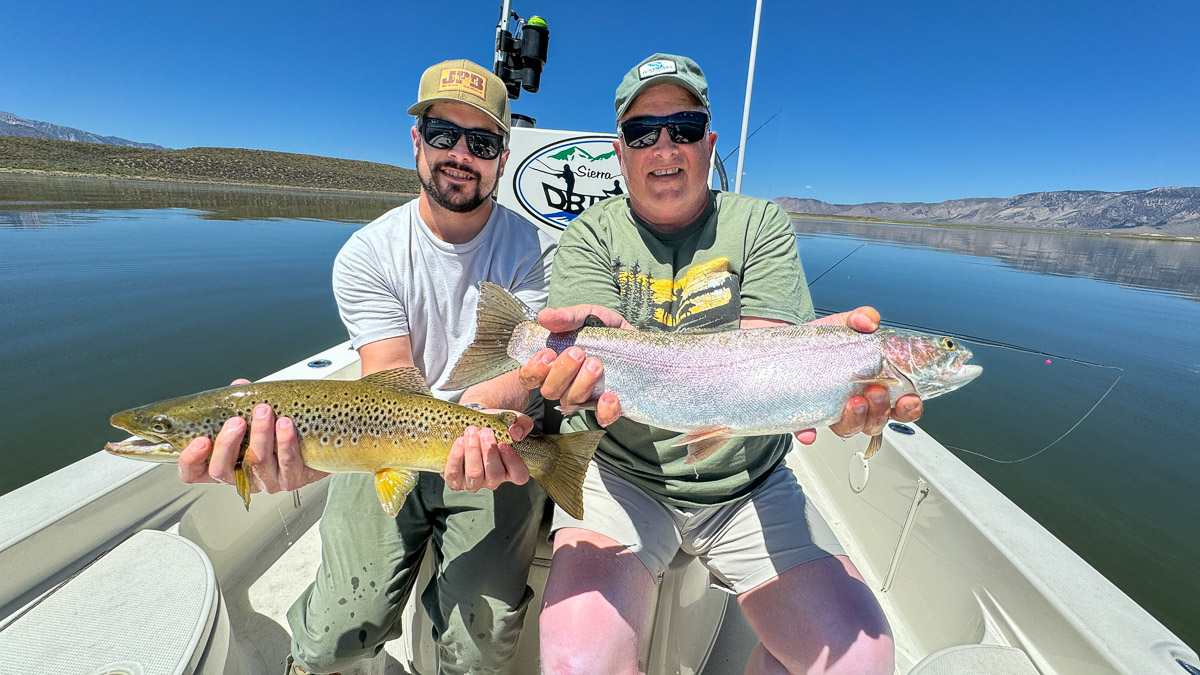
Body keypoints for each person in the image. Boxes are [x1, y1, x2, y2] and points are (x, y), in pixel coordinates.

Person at [520, 54, 924, 675]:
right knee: (577, 663)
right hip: (622, 475)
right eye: (643, 131)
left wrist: (823, 381)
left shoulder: (760, 224)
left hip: (746, 486)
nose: (665, 147)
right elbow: (576, 347)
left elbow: (754, 367)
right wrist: (564, 377)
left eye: (684, 128)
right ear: (620, 151)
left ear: (708, 143)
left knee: (860, 657)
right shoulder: (591, 233)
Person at [176, 58, 555, 675]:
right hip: (385, 437)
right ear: (416, 141)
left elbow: (520, 369)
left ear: (502, 157)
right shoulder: (368, 253)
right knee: (336, 634)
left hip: (496, 442)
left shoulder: (534, 247)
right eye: (443, 134)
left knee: (479, 643)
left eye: (482, 141)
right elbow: (390, 377)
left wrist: (479, 427)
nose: (461, 154)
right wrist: (312, 455)